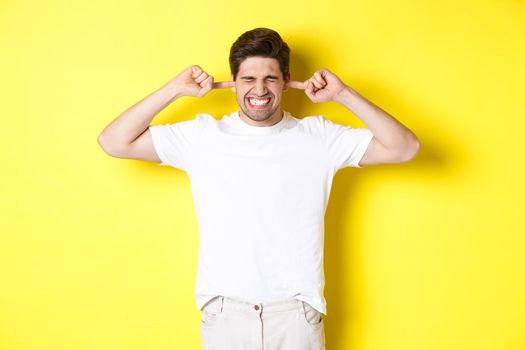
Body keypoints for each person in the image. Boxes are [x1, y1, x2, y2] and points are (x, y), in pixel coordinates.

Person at [97, 27, 420, 350]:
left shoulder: (319, 137)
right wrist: (175, 89)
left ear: (287, 81)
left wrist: (343, 95)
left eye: (270, 78)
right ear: (233, 82)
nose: (260, 89)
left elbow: (404, 148)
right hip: (225, 316)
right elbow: (113, 141)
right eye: (248, 79)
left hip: (296, 316)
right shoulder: (202, 136)